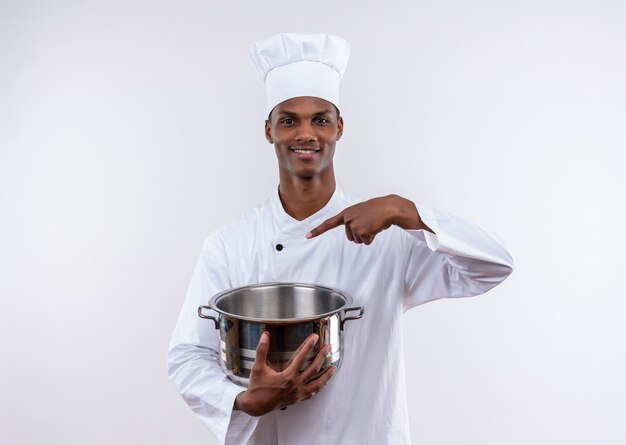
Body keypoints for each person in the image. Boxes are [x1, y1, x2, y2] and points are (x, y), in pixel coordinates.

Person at [168, 33, 514, 445]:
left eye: (321, 119)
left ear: (339, 127)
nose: (305, 135)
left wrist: (407, 211)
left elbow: (494, 265)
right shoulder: (230, 243)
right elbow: (188, 356)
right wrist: (243, 399)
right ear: (268, 131)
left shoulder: (390, 236)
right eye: (288, 120)